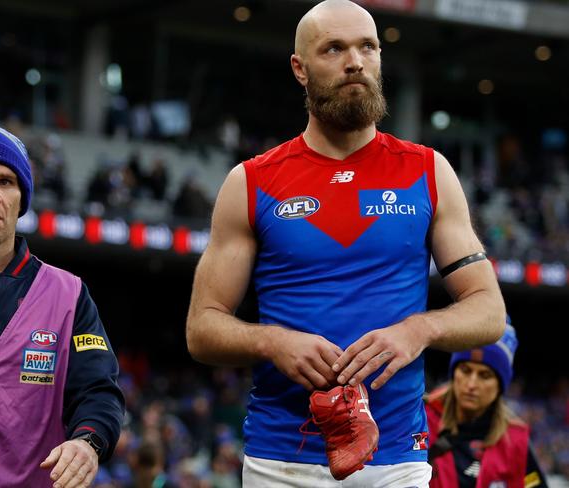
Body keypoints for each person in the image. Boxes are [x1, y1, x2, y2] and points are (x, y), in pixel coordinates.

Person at [185, 1, 506, 486]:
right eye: (334, 48)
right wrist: (271, 340)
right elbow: (202, 329)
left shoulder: (428, 171)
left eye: (367, 47)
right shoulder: (251, 183)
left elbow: (488, 311)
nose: (355, 60)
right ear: (300, 68)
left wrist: (418, 330)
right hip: (282, 461)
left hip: (398, 461)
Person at [0, 122, 125, 487]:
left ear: (21, 200)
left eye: (6, 182)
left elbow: (98, 391)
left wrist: (87, 442)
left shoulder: (68, 294)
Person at [425, 320, 548, 487]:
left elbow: (533, 483)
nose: (471, 384)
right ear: (454, 374)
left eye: (485, 375)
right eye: (465, 370)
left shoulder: (516, 442)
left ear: (500, 385)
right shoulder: (420, 419)